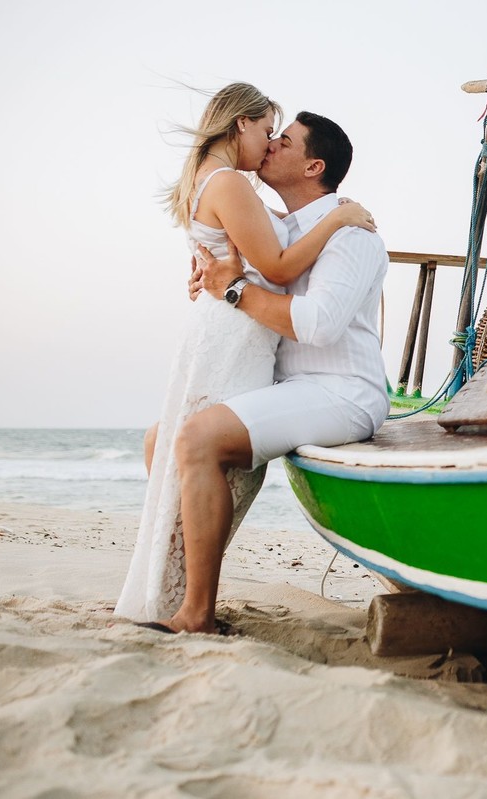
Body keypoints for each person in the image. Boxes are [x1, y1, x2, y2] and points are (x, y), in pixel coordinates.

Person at [116, 84, 376, 624]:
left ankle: (196, 612)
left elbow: (319, 324)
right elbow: (258, 255)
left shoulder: (350, 234)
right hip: (285, 386)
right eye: (269, 133)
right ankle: (169, 581)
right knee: (163, 439)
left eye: (284, 140)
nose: (271, 144)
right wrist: (211, 273)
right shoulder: (278, 222)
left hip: (340, 392)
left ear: (314, 167)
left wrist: (233, 288)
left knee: (195, 438)